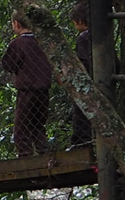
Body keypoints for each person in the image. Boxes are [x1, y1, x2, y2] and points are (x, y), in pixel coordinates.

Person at [2, 11, 53, 157]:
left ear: (16, 24)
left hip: (26, 90)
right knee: (38, 124)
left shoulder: (18, 44)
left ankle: (25, 156)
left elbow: (8, 64)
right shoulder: (42, 42)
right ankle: (44, 153)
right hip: (43, 89)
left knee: (22, 126)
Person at [69, 2, 94, 150]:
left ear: (79, 21)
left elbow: (84, 61)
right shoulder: (98, 35)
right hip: (98, 81)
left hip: (86, 84)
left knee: (81, 115)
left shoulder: (84, 38)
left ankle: (81, 144)